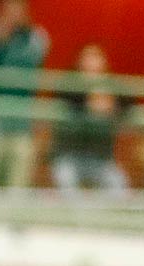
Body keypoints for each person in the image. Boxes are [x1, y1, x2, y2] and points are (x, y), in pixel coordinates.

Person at [0, 0, 47, 187]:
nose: (13, 14)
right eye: (8, 10)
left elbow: (30, 64)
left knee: (19, 171)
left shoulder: (35, 38)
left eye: (17, 9)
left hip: (22, 124)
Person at [51, 43, 128, 194]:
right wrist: (89, 100)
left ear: (104, 62)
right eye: (87, 57)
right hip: (70, 156)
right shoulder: (68, 83)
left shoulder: (112, 85)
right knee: (64, 179)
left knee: (118, 184)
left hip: (101, 159)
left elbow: (128, 104)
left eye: (95, 57)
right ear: (78, 61)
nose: (91, 62)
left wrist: (112, 105)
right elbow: (67, 99)